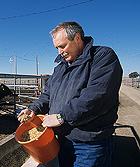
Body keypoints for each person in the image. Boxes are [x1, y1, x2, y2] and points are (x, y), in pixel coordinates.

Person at [18, 21, 122, 167]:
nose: (59, 51)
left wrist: (62, 117)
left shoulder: (102, 57)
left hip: (90, 143)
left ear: (77, 38)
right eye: (57, 48)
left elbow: (97, 97)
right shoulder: (60, 68)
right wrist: (33, 109)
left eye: (62, 46)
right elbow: (47, 95)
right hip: (62, 140)